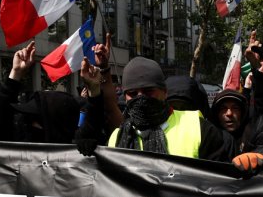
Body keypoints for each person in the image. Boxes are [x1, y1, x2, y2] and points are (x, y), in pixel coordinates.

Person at [79, 56, 234, 161]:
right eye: (132, 94)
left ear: (164, 92)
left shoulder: (198, 128)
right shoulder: (116, 138)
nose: (140, 98)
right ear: (125, 96)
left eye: (148, 92)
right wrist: (94, 89)